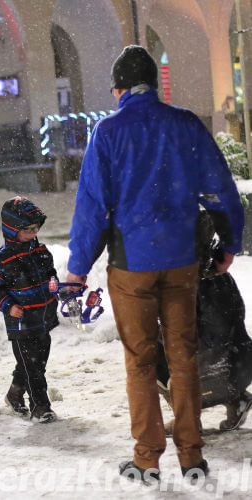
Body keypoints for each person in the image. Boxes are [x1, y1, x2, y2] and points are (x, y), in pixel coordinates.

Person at [65, 46, 244, 482]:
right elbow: (220, 188)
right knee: (183, 357)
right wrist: (229, 243)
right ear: (155, 83)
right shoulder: (184, 124)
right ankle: (192, 457)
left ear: (118, 89)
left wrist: (77, 268)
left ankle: (147, 458)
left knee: (141, 362)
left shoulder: (108, 133)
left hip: (132, 265)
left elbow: (92, 207)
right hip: (182, 261)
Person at [157, 211, 252, 433]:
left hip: (202, 379)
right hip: (240, 370)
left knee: (146, 349)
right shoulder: (221, 277)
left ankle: (187, 418)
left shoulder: (176, 287)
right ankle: (235, 400)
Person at [0, 196, 59, 423]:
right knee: (32, 368)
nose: (33, 233)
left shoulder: (41, 252)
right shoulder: (4, 259)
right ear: (12, 229)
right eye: (28, 229)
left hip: (43, 318)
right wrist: (8, 304)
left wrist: (54, 286)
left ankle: (14, 394)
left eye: (36, 228)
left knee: (36, 362)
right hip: (21, 322)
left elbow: (50, 275)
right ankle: (40, 407)